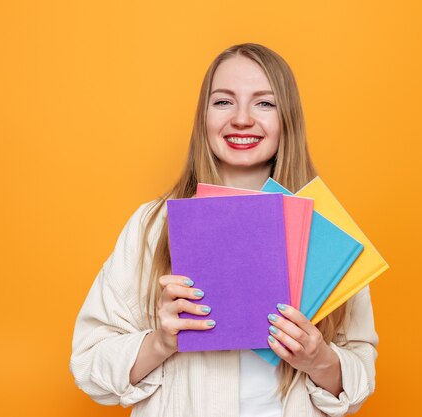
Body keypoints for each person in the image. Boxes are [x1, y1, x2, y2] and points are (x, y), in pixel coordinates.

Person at [70, 43, 379, 417]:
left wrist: (319, 359)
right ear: (203, 117)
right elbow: (88, 364)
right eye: (223, 102)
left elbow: (360, 377)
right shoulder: (151, 225)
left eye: (265, 103)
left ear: (288, 120)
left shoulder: (326, 233)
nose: (242, 119)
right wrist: (161, 342)